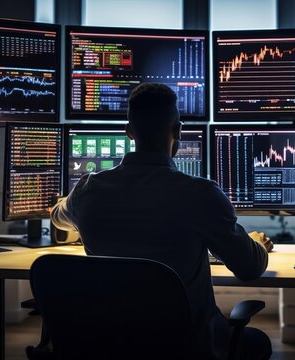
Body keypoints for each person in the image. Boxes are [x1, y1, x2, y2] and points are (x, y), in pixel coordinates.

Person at [51, 83, 273, 359]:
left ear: (129, 132)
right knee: (259, 343)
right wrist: (255, 244)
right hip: (187, 348)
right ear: (178, 130)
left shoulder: (87, 189)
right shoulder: (200, 193)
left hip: (112, 345)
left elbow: (58, 217)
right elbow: (249, 267)